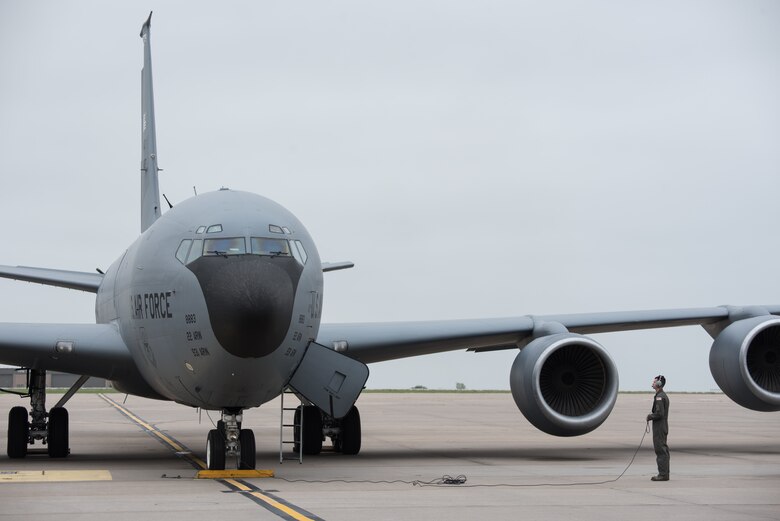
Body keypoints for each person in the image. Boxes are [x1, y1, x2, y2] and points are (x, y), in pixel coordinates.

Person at [646, 375, 670, 481]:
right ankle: (665, 473)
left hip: (659, 426)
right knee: (663, 449)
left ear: (659, 384)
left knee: (660, 450)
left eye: (654, 381)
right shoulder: (661, 395)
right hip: (661, 426)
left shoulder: (660, 397)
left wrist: (650, 416)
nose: (652, 382)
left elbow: (660, 413)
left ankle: (663, 474)